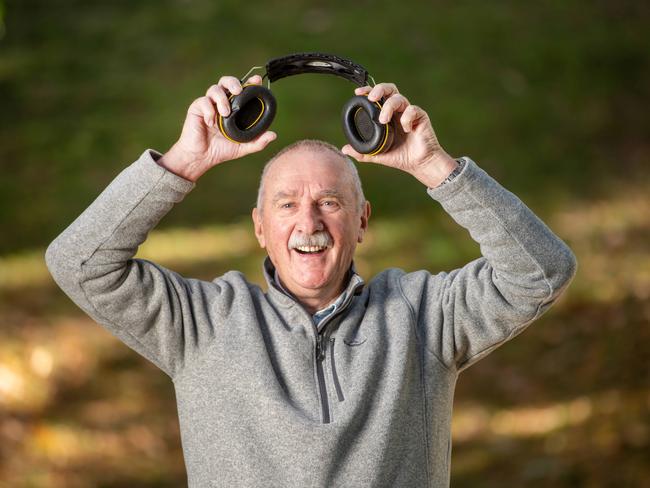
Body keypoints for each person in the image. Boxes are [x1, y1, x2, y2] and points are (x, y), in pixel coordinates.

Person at [45, 74, 577, 488]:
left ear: (362, 219)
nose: (309, 223)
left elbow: (540, 270)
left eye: (329, 202)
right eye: (287, 205)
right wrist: (184, 160)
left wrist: (434, 165)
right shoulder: (201, 323)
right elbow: (79, 263)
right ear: (260, 227)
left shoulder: (423, 317)